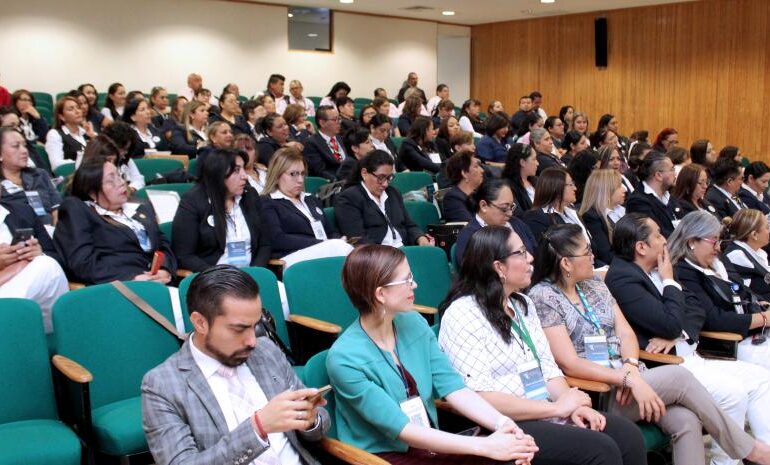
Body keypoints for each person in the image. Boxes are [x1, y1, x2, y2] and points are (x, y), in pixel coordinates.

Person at [528, 223, 770, 465]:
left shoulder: (595, 285)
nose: (594, 256)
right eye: (587, 252)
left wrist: (631, 366)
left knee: (685, 420)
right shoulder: (544, 297)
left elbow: (626, 333)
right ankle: (749, 450)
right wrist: (626, 379)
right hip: (601, 392)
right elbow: (570, 363)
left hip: (632, 378)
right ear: (566, 263)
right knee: (679, 376)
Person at [441, 225, 648, 465]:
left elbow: (549, 370)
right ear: (499, 267)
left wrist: (572, 406)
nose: (530, 258)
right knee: (602, 450)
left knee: (628, 436)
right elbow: (481, 397)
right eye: (520, 253)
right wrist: (557, 409)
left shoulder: (522, 304)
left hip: (546, 409)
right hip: (504, 423)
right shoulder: (463, 314)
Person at [327, 244, 539, 464]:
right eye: (406, 280)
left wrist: (503, 423)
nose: (414, 285)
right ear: (380, 294)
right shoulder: (344, 359)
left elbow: (453, 387)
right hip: (384, 456)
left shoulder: (414, 323)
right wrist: (485, 446)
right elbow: (401, 428)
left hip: (429, 444)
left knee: (515, 455)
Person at [606, 213, 770, 465]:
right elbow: (668, 323)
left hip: (690, 355)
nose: (665, 240)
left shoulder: (657, 268)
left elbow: (697, 309)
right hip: (664, 366)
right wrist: (669, 282)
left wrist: (679, 333)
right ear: (641, 247)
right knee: (733, 393)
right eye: (658, 235)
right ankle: (730, 461)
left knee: (760, 378)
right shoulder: (624, 278)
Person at [142, 265, 330, 465]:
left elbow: (320, 420)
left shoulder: (267, 351)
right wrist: (257, 428)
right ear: (200, 323)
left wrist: (310, 420)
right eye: (239, 329)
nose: (252, 341)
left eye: (255, 326)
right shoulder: (162, 385)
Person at [670, 210, 770, 372]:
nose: (718, 247)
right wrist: (763, 318)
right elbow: (713, 319)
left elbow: (742, 289)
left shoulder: (718, 259)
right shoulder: (684, 271)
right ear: (692, 241)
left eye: (719, 241)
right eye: (713, 241)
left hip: (754, 332)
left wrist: (761, 303)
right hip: (730, 343)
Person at [54, 157, 175, 284]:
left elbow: (163, 244)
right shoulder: (78, 210)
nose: (122, 182)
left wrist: (165, 269)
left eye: (120, 176)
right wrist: (131, 278)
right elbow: (82, 263)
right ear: (92, 192)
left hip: (157, 283)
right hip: (118, 286)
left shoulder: (140, 206)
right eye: (111, 181)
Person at [172, 148, 271, 271]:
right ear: (218, 173)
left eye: (243, 169)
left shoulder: (249, 195)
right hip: (214, 276)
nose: (245, 176)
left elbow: (265, 244)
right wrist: (218, 275)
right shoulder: (193, 201)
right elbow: (184, 256)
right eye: (236, 170)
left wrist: (256, 271)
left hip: (251, 274)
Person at [261, 148, 352, 268]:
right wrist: (323, 243)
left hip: (324, 250)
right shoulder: (268, 202)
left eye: (302, 174)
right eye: (293, 174)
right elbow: (277, 239)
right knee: (340, 249)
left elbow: (330, 231)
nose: (300, 180)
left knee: (345, 248)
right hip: (292, 257)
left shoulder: (310, 199)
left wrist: (338, 239)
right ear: (277, 175)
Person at [334, 150, 434, 247]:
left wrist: (420, 238)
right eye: (381, 178)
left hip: (404, 248)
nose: (385, 184)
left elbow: (409, 225)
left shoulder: (393, 193)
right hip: (378, 254)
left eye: (389, 178)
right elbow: (359, 240)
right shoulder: (348, 198)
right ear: (364, 173)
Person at [522, 168, 598, 264]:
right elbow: (548, 259)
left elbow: (593, 250)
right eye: (570, 185)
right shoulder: (536, 218)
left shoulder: (573, 213)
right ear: (557, 188)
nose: (575, 188)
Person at [455, 179, 536, 267]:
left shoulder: (516, 223)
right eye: (504, 208)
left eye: (511, 207)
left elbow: (536, 252)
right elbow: (473, 272)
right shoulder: (469, 237)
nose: (510, 213)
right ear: (483, 206)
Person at [0, 128, 61, 225]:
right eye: (16, 146)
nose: (24, 151)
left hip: (50, 230)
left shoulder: (40, 175)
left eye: (24, 145)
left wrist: (55, 230)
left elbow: (57, 208)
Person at [626, 152, 683, 237]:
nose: (675, 174)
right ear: (659, 175)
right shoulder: (638, 202)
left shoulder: (669, 196)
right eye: (672, 169)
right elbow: (656, 235)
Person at [579, 169, 626, 265]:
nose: (624, 189)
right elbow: (606, 256)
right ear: (606, 191)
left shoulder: (622, 210)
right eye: (619, 186)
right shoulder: (592, 217)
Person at [723, 209, 770, 300]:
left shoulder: (757, 250)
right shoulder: (737, 256)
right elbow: (749, 295)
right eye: (767, 227)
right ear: (754, 235)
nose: (769, 231)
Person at [45, 96, 95, 170]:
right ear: (62, 117)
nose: (77, 111)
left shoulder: (86, 132)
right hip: (71, 175)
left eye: (78, 108)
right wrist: (81, 163)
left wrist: (93, 136)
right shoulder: (54, 134)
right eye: (71, 109)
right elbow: (56, 164)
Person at [96, 123, 146, 192]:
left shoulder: (125, 159)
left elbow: (139, 179)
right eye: (123, 149)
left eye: (127, 149)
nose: (125, 152)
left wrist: (131, 189)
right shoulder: (96, 162)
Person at [304, 105, 347, 181]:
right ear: (322, 123)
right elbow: (320, 170)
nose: (339, 123)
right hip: (331, 182)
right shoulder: (311, 143)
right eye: (335, 119)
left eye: (339, 119)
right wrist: (342, 181)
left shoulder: (341, 138)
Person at [440, 152, 484, 222]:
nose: (482, 170)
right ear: (465, 173)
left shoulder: (479, 195)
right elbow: (470, 225)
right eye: (476, 166)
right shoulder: (453, 199)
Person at [502, 143, 538, 215]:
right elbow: (518, 215)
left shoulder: (536, 180)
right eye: (534, 159)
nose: (537, 163)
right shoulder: (508, 188)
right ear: (522, 162)